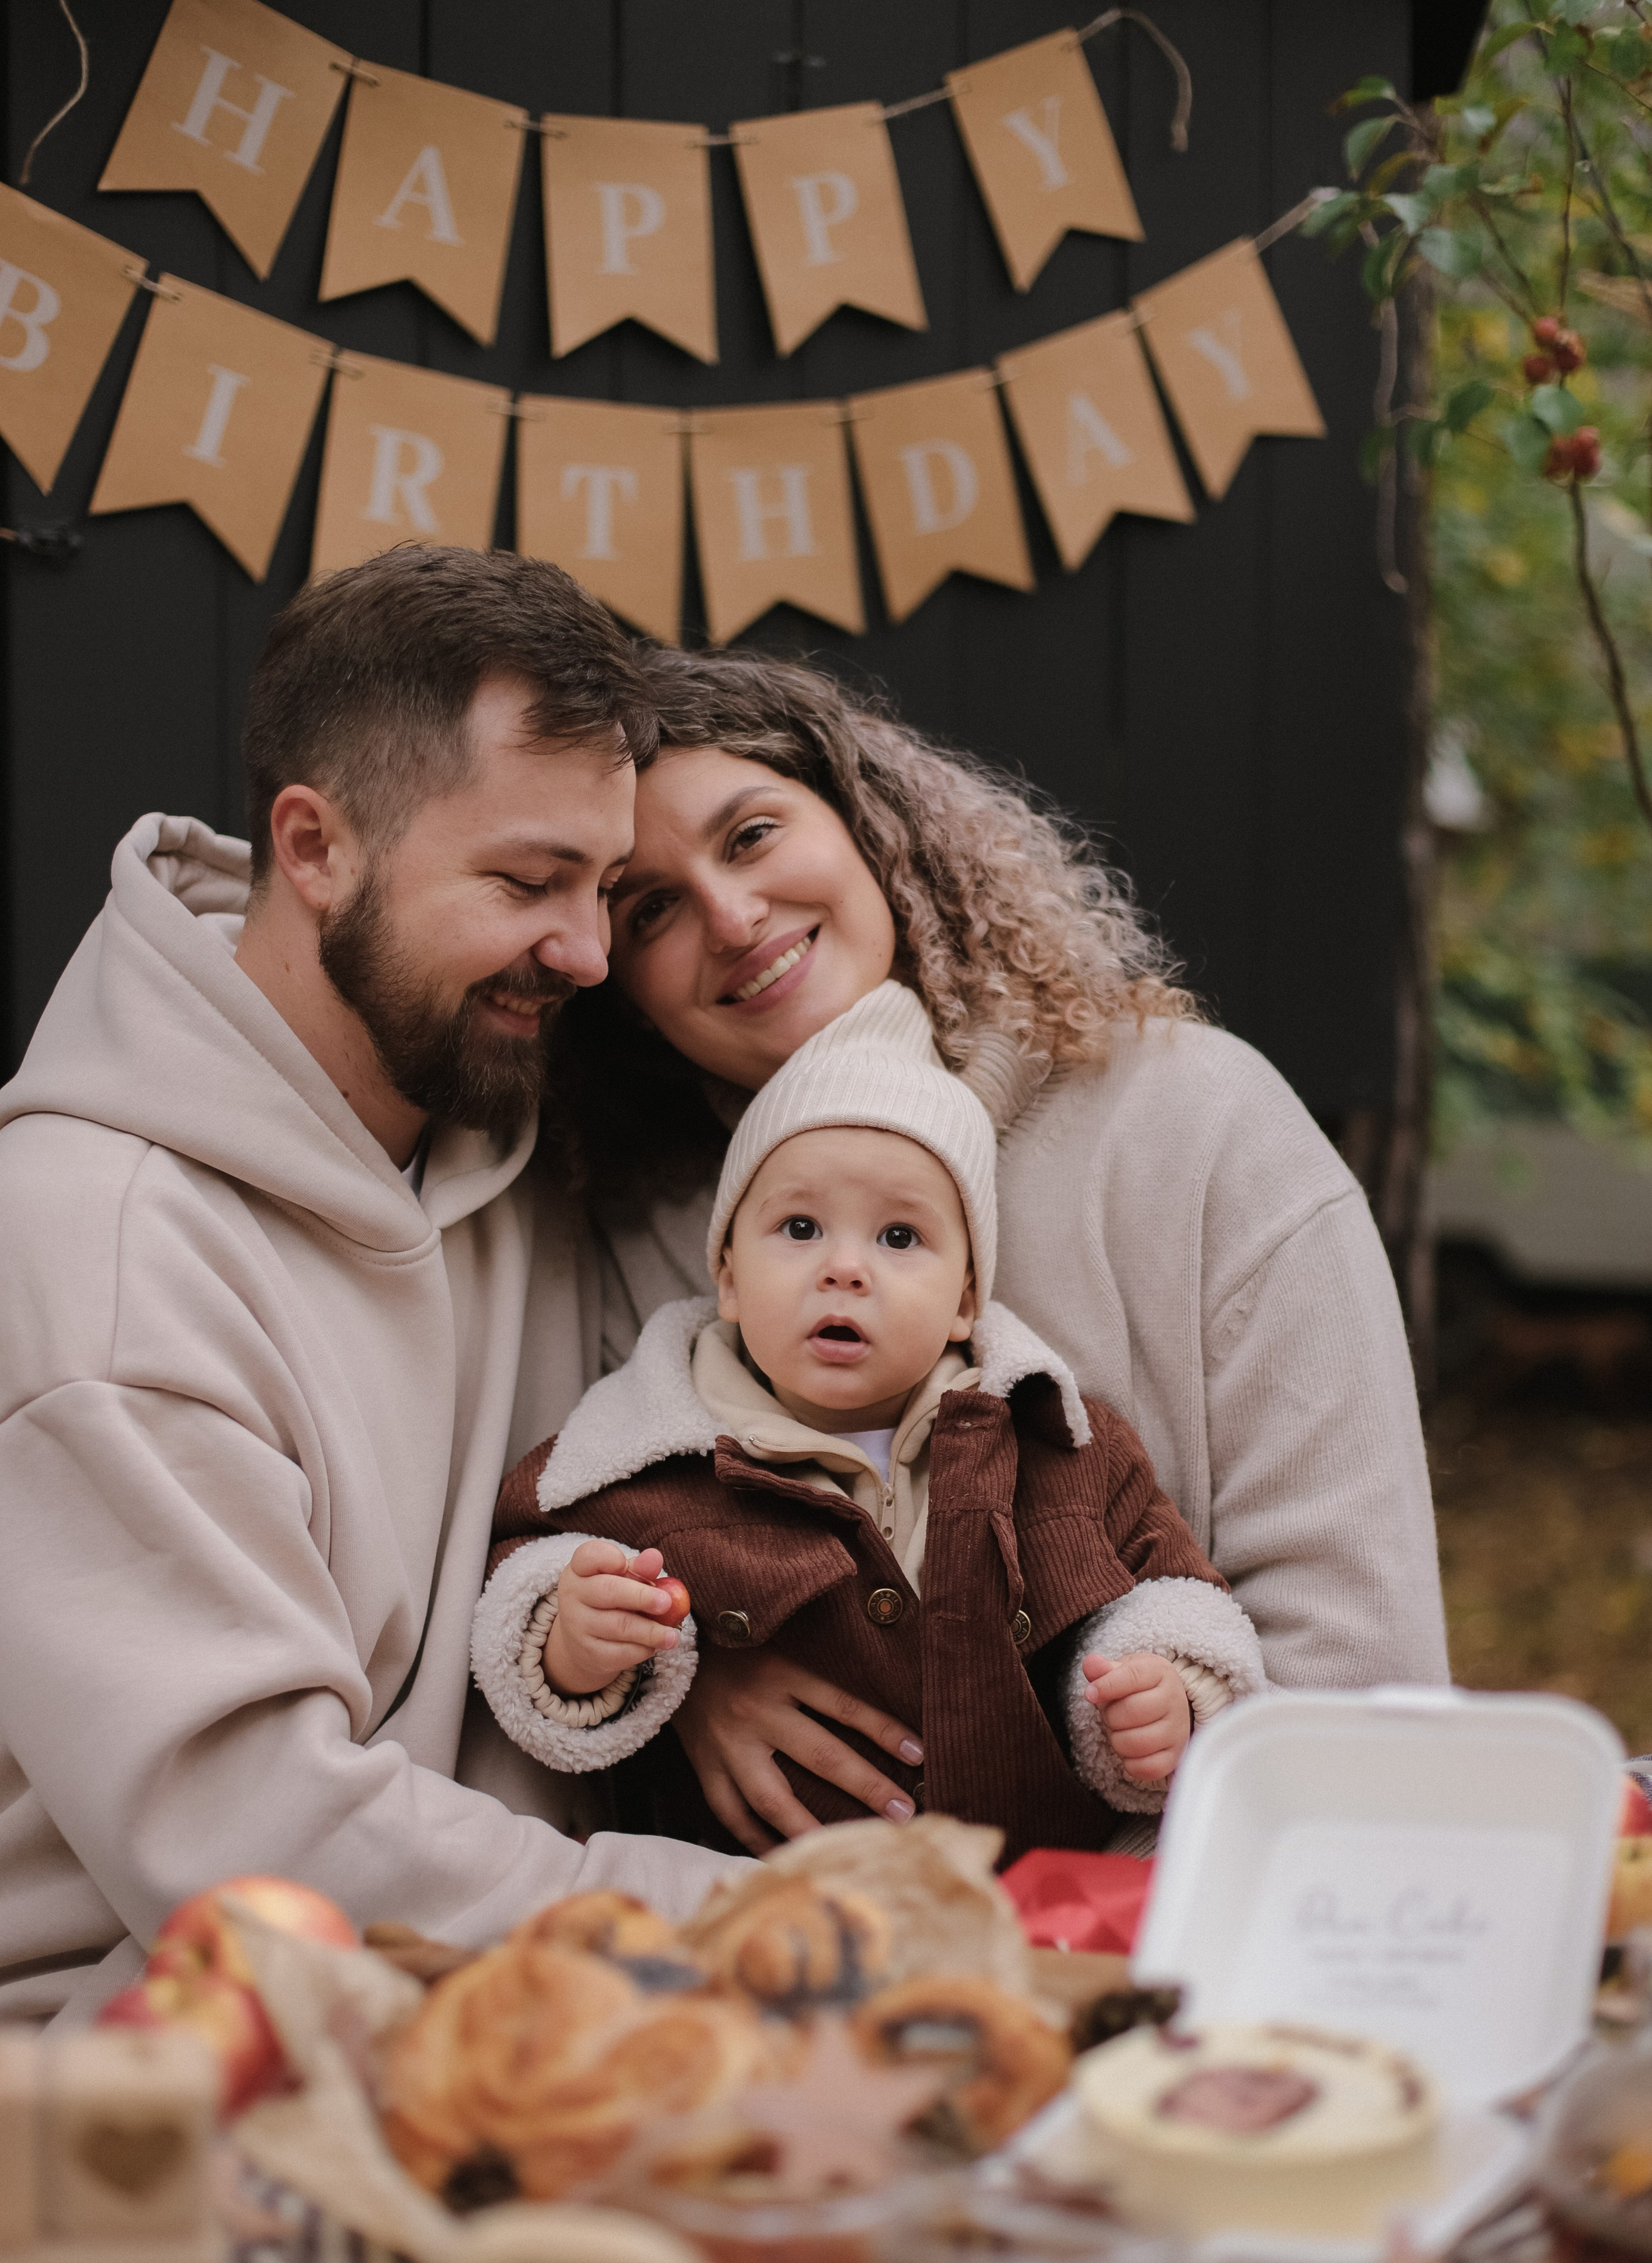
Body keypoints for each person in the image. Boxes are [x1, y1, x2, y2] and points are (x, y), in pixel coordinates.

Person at [533, 647, 1451, 1856]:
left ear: (871, 823)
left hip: (1191, 1926)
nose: (730, 916)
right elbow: (577, 1563)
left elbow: (1358, 1649)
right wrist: (694, 1678)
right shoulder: (648, 1229)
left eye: (751, 835)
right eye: (648, 907)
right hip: (804, 1959)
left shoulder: (1196, 1122)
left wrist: (1100, 1926)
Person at [0, 547, 744, 2027]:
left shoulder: (491, 1123)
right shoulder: (97, 1254)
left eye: (603, 887)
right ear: (315, 846)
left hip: (496, 2001)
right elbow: (260, 1851)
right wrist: (754, 1920)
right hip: (147, 2081)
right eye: (528, 882)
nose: (589, 953)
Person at [475, 992, 1267, 1858]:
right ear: (728, 1276)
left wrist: (1168, 1695)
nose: (845, 1269)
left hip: (1032, 1912)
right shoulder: (639, 1466)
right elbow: (524, 1578)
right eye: (801, 1228)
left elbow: (1172, 1593)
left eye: (899, 1236)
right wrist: (574, 1647)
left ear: (967, 1300)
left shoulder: (1059, 1448)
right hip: (758, 1924)